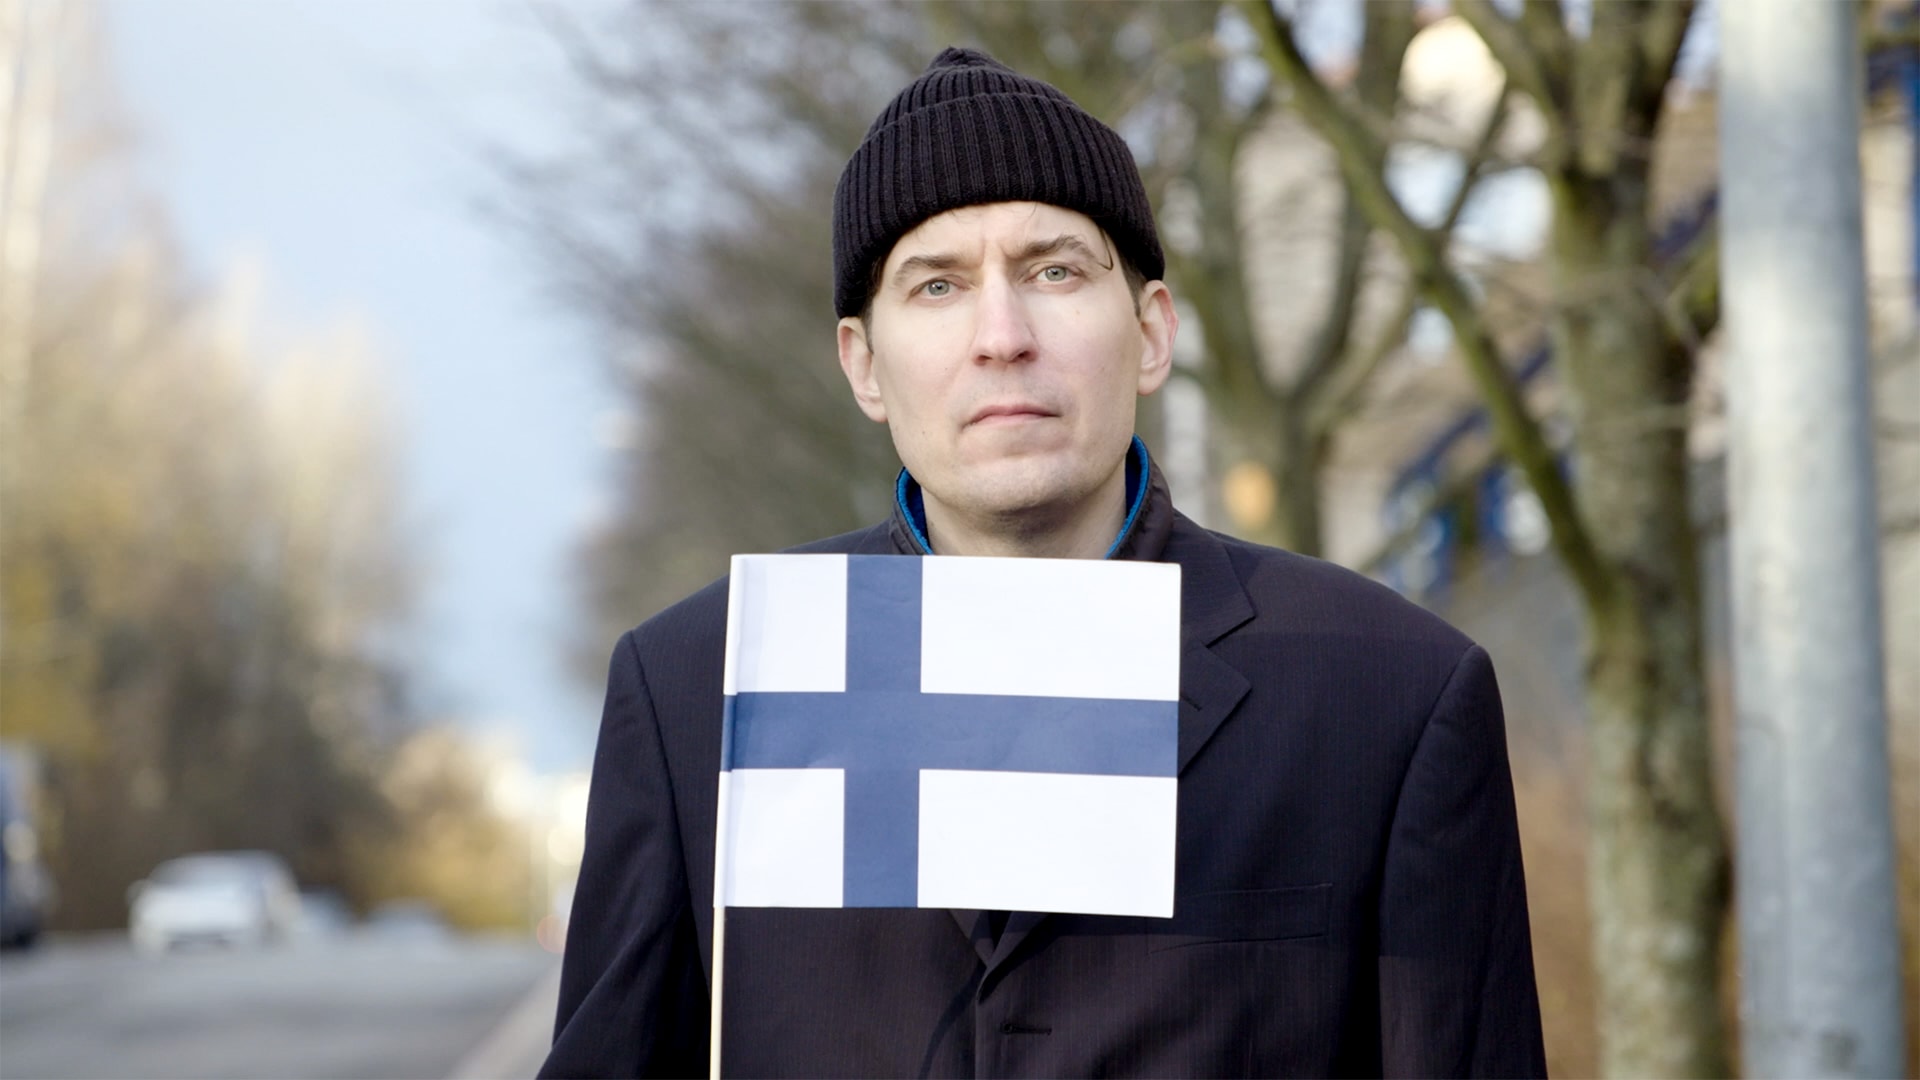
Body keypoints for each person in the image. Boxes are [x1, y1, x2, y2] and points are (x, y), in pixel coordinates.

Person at [542, 46, 1546, 1079]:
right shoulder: (706, 693)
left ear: (1152, 333)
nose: (1002, 335)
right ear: (863, 364)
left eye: (1054, 271)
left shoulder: (1389, 696)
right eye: (937, 285)